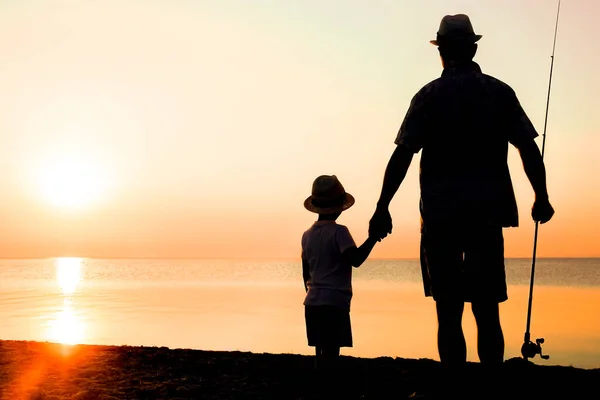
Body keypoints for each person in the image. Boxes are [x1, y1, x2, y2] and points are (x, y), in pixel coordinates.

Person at [368, 13, 555, 385]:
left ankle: (454, 387)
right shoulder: (498, 92)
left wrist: (382, 206)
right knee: (487, 311)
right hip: (487, 217)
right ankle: (490, 386)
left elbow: (403, 154)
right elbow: (528, 148)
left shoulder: (429, 96)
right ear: (472, 48)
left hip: (440, 219)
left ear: (442, 52)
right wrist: (541, 196)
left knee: (448, 311)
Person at [301, 175, 382, 373]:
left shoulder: (307, 235)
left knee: (320, 352)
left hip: (312, 301)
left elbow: (306, 273)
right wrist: (373, 238)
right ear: (339, 206)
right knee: (332, 353)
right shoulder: (340, 232)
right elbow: (355, 259)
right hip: (334, 302)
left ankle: (319, 388)